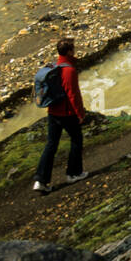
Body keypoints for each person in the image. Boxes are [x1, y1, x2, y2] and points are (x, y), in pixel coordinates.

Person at [33, 38, 88, 193]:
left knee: (51, 145)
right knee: (77, 140)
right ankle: (73, 173)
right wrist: (80, 113)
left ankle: (40, 180)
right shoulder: (69, 70)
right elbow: (73, 94)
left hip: (53, 112)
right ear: (70, 51)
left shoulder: (55, 67)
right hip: (67, 113)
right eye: (73, 49)